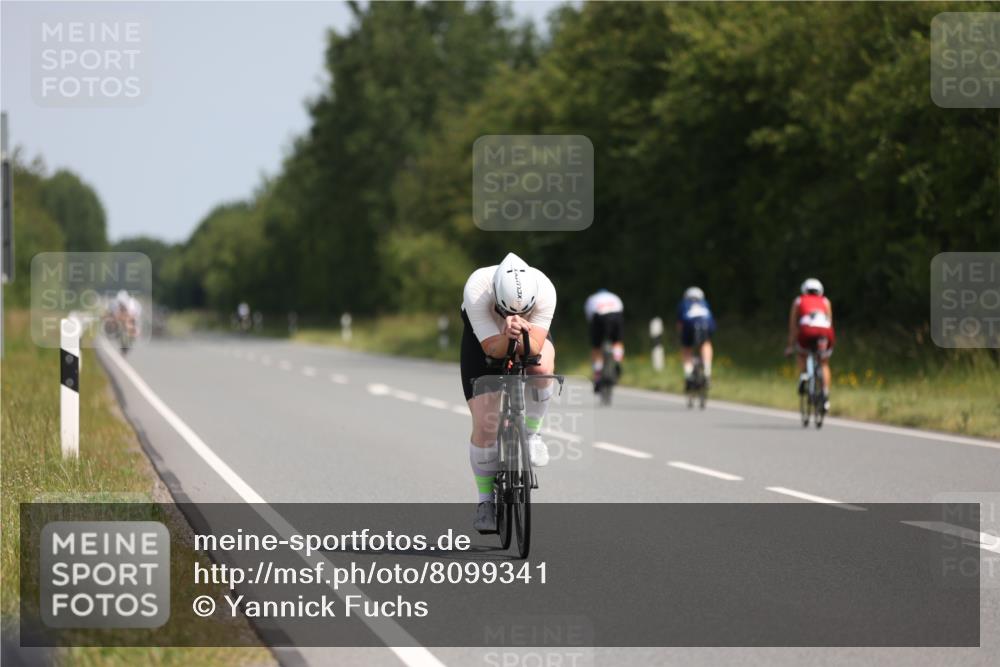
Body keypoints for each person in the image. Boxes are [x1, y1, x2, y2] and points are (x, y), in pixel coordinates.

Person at [460, 252, 557, 533]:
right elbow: (492, 349)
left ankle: (532, 433)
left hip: (527, 333)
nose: (513, 315)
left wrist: (523, 333)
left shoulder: (545, 290)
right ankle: (485, 502)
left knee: (540, 370)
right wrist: (506, 334)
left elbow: (535, 349)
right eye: (507, 310)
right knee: (485, 424)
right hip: (485, 338)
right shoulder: (478, 288)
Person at [785, 278, 834, 412]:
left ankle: (804, 376)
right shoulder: (825, 301)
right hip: (825, 332)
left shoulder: (799, 301)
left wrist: (790, 346)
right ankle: (825, 394)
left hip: (807, 330)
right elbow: (829, 321)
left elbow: (794, 326)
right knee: (823, 363)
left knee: (802, 353)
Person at [584, 288, 624, 389]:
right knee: (617, 342)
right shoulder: (614, 296)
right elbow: (621, 310)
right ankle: (617, 360)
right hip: (616, 315)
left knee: (596, 348)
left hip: (599, 317)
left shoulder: (592, 298)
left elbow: (590, 317)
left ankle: (597, 375)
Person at [676, 286, 715, 390]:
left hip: (689, 325)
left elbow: (680, 325)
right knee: (706, 344)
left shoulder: (684, 304)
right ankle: (707, 371)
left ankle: (688, 375)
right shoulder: (705, 303)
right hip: (707, 325)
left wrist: (682, 337)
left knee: (686, 349)